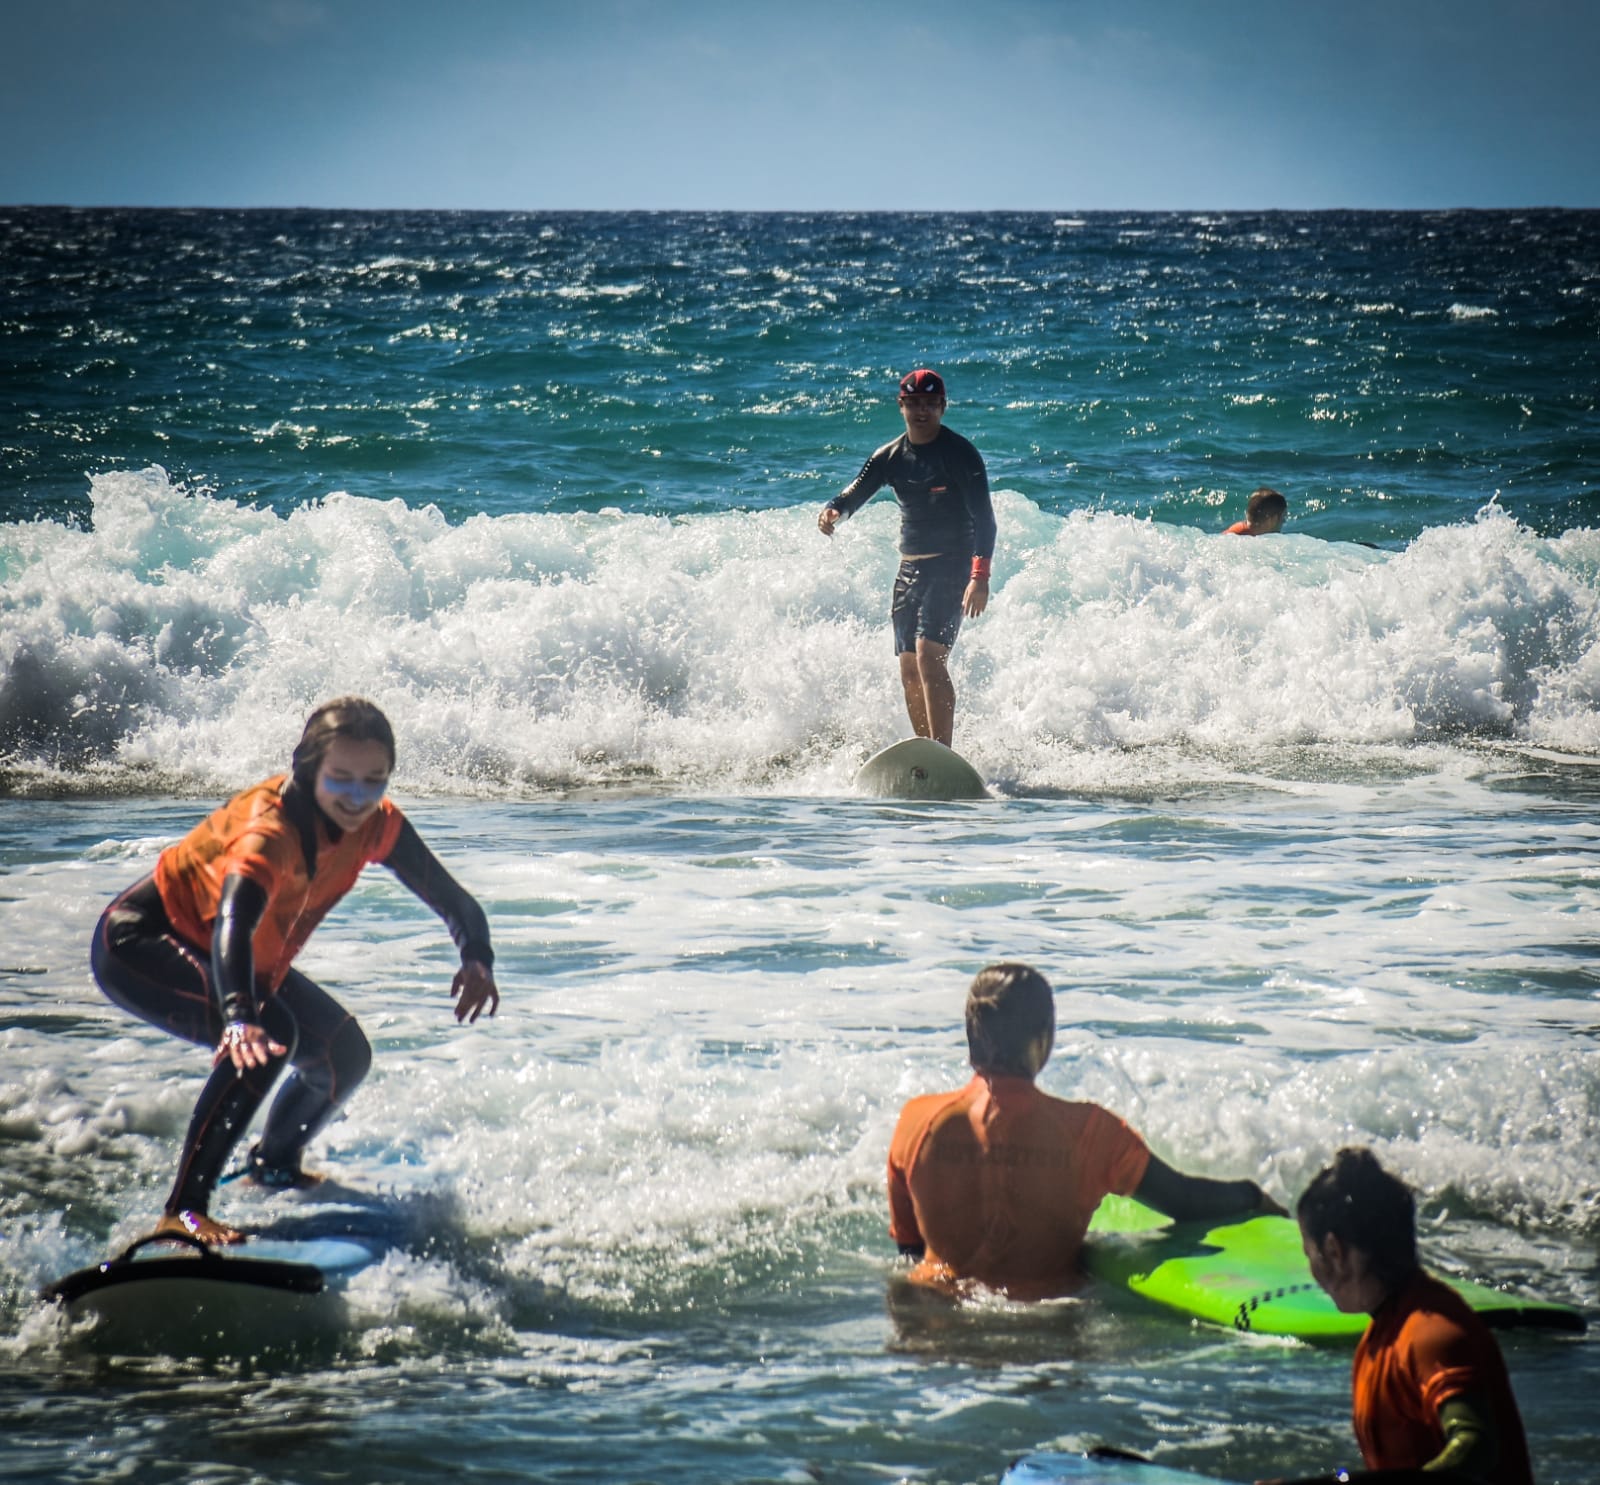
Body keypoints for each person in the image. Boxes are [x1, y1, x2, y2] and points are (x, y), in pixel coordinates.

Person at [91, 696, 499, 1246]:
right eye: (342, 779)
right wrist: (239, 1017)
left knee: (342, 1054)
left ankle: (274, 1164)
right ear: (309, 770)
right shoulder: (271, 832)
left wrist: (476, 956)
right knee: (270, 1037)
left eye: (374, 780)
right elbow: (233, 921)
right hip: (141, 942)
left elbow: (455, 901)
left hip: (239, 957)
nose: (358, 797)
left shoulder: (376, 824)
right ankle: (183, 1211)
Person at [887, 963, 1282, 1300]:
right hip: (1047, 1326)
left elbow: (908, 1249)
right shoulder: (1092, 1133)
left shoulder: (916, 1123)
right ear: (1043, 1039)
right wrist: (1251, 1195)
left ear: (972, 1036)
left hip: (931, 1318)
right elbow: (1185, 1201)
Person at [1296, 1148, 1534, 1483]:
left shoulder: (1430, 1334)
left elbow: (1475, 1447)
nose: (1312, 1271)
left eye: (1310, 1253)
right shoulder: (1383, 1335)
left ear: (1334, 1251)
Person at [818, 368, 996, 747]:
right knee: (909, 668)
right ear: (901, 406)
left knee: (929, 656)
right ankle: (927, 754)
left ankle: (942, 751)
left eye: (931, 404)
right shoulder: (891, 456)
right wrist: (835, 510)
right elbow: (855, 492)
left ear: (943, 407)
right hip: (909, 570)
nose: (922, 412)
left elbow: (985, 519)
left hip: (952, 566)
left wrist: (979, 576)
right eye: (915, 404)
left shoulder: (960, 453)